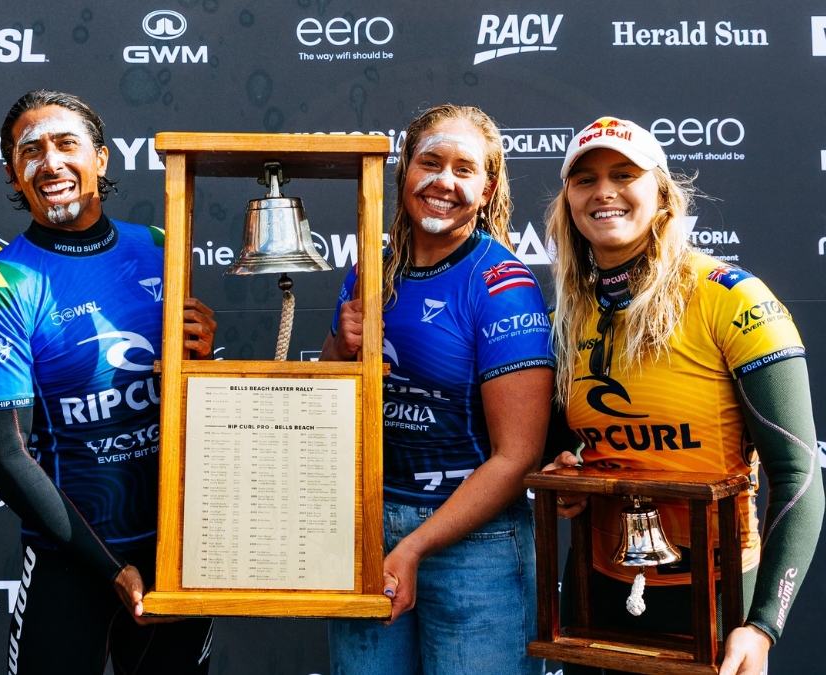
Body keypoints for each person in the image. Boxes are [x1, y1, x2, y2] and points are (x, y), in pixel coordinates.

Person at [543, 117, 824, 675]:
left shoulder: (732, 298)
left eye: (624, 174)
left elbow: (798, 474)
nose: (603, 191)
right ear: (568, 201)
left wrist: (763, 624)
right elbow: (563, 447)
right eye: (585, 179)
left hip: (716, 601)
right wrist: (566, 472)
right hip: (594, 595)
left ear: (663, 195)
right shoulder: (569, 315)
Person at [0, 89, 217, 675]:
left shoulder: (158, 247)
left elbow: (193, 406)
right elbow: (2, 456)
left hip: (175, 553)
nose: (50, 162)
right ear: (12, 174)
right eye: (31, 151)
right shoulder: (1, 285)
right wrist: (110, 572)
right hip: (71, 560)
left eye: (66, 144)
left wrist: (202, 355)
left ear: (101, 158)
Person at [321, 104, 551, 675]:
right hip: (371, 528)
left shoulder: (502, 284)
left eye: (464, 169)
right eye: (430, 162)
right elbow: (326, 405)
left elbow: (517, 455)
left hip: (476, 546)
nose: (443, 182)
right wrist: (339, 349)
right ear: (404, 172)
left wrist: (417, 546)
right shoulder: (369, 272)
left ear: (488, 186)